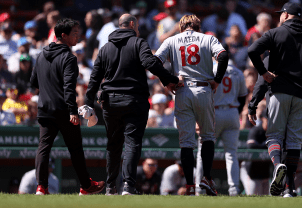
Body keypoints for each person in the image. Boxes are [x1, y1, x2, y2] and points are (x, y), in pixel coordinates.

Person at [85, 14, 180, 196]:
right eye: (136, 26)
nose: (138, 30)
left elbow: (94, 77)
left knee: (113, 145)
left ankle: (111, 187)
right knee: (132, 142)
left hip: (110, 102)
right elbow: (150, 62)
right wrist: (170, 79)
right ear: (131, 25)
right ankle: (128, 186)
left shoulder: (105, 48)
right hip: (134, 100)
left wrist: (88, 102)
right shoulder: (138, 43)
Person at [247, 2, 302, 198]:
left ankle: (277, 165)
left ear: (285, 14)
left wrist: (255, 99)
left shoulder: (275, 34)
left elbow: (252, 51)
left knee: (274, 136)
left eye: (281, 14)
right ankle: (290, 188)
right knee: (293, 142)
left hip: (279, 92)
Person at [155, 14, 229, 196]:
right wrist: (217, 80)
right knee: (207, 137)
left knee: (186, 143)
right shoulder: (208, 38)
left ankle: (189, 186)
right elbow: (224, 55)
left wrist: (168, 81)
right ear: (198, 26)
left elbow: (155, 61)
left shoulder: (173, 39)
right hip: (203, 89)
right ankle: (207, 178)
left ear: (181, 27)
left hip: (182, 90)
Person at [30, 18, 105, 195]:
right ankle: (86, 186)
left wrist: (48, 87)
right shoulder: (69, 57)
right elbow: (68, 87)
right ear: (63, 36)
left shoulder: (41, 55)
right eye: (74, 34)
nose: (78, 37)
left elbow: (33, 81)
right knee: (76, 149)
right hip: (63, 110)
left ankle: (41, 187)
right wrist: (72, 110)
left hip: (44, 109)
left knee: (44, 148)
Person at [195, 54, 247, 196]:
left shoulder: (208, 69)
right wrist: (235, 111)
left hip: (213, 112)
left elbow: (201, 95)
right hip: (232, 112)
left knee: (202, 153)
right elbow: (243, 97)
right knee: (231, 154)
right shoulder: (237, 71)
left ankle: (199, 189)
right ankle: (234, 189)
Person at [240, 111, 271, 195]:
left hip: (264, 173)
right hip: (250, 172)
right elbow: (251, 147)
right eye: (269, 119)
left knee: (264, 202)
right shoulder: (256, 130)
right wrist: (267, 146)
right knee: (253, 198)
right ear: (263, 119)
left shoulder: (273, 134)